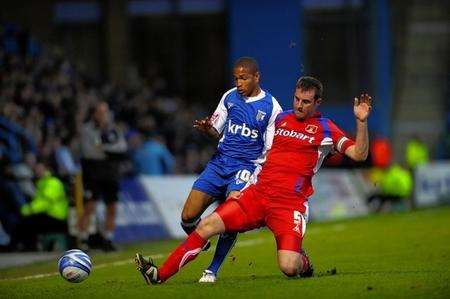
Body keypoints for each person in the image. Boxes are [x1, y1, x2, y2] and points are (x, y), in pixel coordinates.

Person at [134, 76, 372, 284]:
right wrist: (242, 183)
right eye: (297, 99)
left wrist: (361, 122)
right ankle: (158, 275)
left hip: (289, 205)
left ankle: (303, 261)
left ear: (317, 102)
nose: (299, 105)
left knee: (289, 267)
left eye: (306, 101)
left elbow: (359, 154)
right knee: (206, 225)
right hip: (257, 195)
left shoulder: (326, 128)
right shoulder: (280, 119)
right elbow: (256, 152)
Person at [179, 57, 282, 282]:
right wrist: (208, 129)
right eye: (236, 78)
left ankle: (212, 269)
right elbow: (216, 131)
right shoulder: (229, 97)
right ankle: (202, 240)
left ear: (257, 77)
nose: (238, 83)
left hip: (246, 167)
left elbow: (270, 149)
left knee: (230, 214)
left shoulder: (272, 107)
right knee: (187, 217)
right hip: (220, 162)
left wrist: (259, 175)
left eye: (243, 78)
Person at [78, 101, 127, 252]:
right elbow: (88, 151)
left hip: (111, 173)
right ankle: (83, 239)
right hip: (92, 172)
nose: (103, 115)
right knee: (89, 205)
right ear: (94, 114)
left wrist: (104, 149)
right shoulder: (87, 130)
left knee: (111, 206)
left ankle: (108, 239)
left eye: (105, 112)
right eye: (100, 112)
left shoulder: (113, 130)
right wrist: (111, 152)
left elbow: (122, 148)